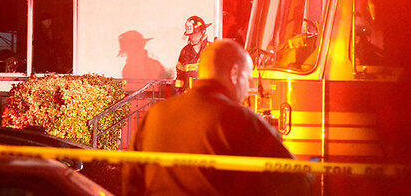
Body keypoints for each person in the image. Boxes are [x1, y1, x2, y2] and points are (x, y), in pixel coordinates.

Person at [124, 39, 311, 195]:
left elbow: (131, 181)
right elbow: (294, 181)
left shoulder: (156, 115)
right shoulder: (240, 120)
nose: (251, 86)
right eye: (249, 77)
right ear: (235, 74)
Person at [175, 15, 210, 92]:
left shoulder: (212, 49)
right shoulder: (185, 51)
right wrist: (178, 93)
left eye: (195, 34)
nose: (192, 37)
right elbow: (180, 75)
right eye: (190, 35)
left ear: (203, 32)